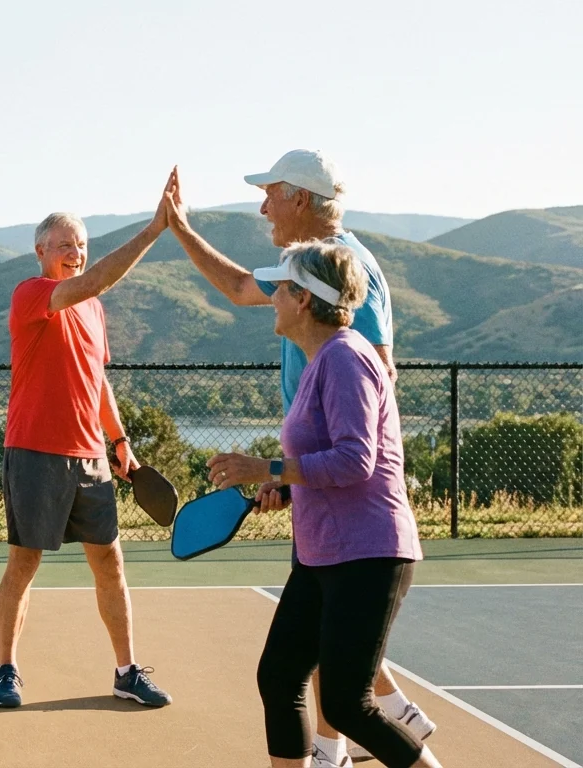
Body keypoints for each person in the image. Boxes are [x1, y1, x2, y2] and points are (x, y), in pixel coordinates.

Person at [163, 152, 434, 767]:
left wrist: (272, 472)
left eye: (280, 290)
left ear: (307, 301)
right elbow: (323, 446)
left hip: (364, 544)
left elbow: (358, 454)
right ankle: (340, 748)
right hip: (326, 542)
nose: (269, 297)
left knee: (347, 701)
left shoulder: (343, 350)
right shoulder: (319, 355)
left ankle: (364, 744)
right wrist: (286, 485)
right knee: (282, 676)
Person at [0, 174, 175, 710]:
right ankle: (6, 669)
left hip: (91, 458)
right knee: (23, 564)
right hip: (34, 453)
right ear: (41, 251)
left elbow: (97, 380)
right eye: (65, 245)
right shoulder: (31, 294)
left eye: (82, 245)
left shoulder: (93, 311)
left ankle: (125, 671)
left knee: (110, 563)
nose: (75, 253)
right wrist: (153, 229)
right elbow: (93, 282)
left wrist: (119, 440)